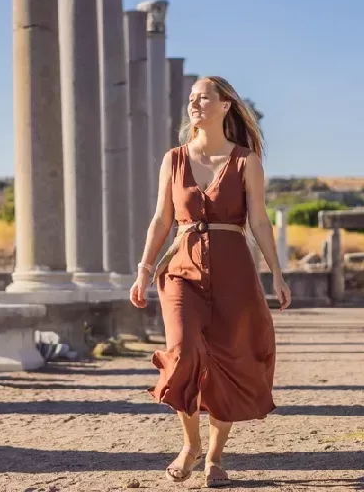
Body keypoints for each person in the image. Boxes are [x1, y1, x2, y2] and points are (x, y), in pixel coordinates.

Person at [130, 75, 292, 488]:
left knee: (230, 359)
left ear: (225, 106)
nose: (195, 105)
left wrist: (276, 272)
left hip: (234, 272)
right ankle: (190, 444)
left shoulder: (246, 161)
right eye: (191, 99)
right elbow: (162, 219)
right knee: (182, 353)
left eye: (204, 98)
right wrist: (145, 268)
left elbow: (259, 221)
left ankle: (216, 458)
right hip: (181, 269)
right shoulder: (174, 158)